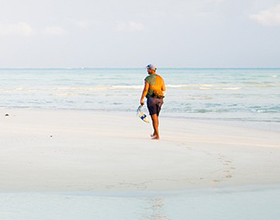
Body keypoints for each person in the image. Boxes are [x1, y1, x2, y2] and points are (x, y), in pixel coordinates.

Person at [140, 64, 165, 140]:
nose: (147, 71)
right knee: (156, 117)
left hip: (152, 99)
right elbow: (163, 89)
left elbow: (145, 90)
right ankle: (155, 132)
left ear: (151, 70)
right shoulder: (160, 78)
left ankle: (157, 135)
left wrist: (141, 99)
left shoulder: (148, 78)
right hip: (160, 99)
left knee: (154, 117)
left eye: (148, 69)